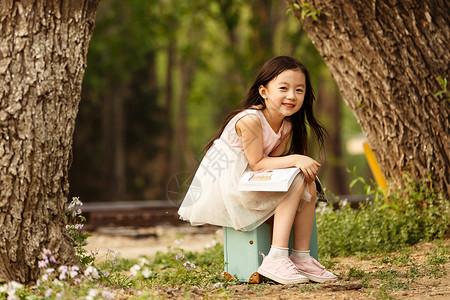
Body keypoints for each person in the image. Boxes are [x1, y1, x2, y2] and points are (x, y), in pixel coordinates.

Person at [178, 56, 337, 284]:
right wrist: (296, 158)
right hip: (232, 188)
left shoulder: (287, 125)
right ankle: (276, 257)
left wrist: (296, 165)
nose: (292, 96)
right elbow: (258, 164)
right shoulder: (250, 120)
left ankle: (301, 257)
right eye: (283, 88)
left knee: (306, 180)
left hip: (251, 181)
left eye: (299, 90)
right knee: (295, 177)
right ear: (264, 91)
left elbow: (273, 167)